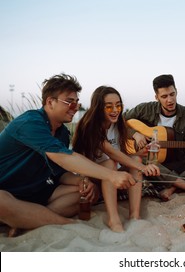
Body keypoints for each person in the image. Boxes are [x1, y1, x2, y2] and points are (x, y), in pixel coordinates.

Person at [0, 74, 136, 236]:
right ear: (50, 102)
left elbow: (59, 173)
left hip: (36, 192)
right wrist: (111, 175)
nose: (76, 107)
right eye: (69, 102)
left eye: (76, 102)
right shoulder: (30, 122)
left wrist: (82, 181)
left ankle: (25, 220)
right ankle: (65, 223)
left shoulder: (62, 132)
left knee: (89, 193)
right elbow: (64, 158)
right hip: (7, 190)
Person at [72, 86, 160, 232]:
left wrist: (140, 155)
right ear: (99, 107)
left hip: (113, 177)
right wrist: (143, 168)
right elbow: (111, 152)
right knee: (110, 163)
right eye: (109, 106)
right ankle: (114, 220)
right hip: (92, 178)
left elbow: (122, 154)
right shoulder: (89, 125)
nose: (115, 110)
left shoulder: (118, 124)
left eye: (118, 105)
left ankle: (134, 216)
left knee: (136, 160)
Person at [124, 74, 185, 202]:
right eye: (164, 96)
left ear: (176, 92)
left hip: (178, 161)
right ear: (156, 97)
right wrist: (135, 134)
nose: (169, 100)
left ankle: (172, 187)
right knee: (143, 159)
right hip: (153, 163)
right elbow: (120, 121)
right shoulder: (144, 109)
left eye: (172, 94)